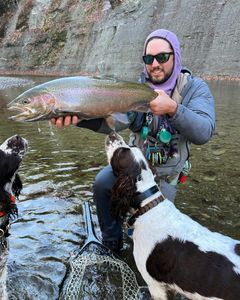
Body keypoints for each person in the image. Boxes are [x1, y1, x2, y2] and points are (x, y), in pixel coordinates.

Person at [51, 29, 215, 253]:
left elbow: (204, 132)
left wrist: (173, 109)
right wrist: (79, 118)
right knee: (102, 184)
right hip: (132, 168)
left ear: (175, 56)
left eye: (162, 57)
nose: (154, 64)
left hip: (165, 176)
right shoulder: (138, 89)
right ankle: (112, 242)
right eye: (149, 59)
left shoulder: (195, 89)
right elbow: (116, 123)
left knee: (156, 238)